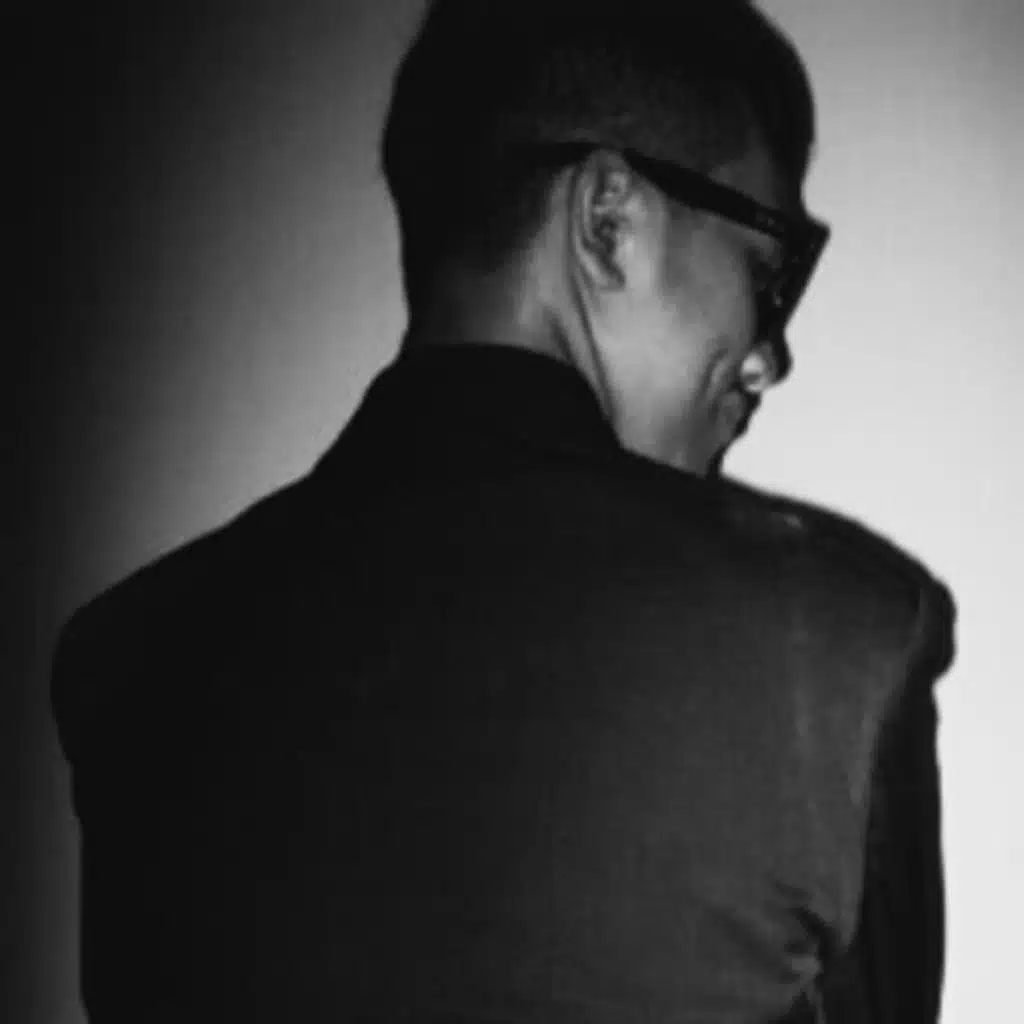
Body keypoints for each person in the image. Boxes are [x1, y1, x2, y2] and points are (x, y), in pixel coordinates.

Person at [52, 1, 955, 1021]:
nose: (767, 357)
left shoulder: (125, 665)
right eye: (768, 267)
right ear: (607, 220)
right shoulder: (836, 649)